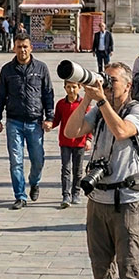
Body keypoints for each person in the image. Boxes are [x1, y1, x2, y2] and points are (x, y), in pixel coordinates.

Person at [62, 63, 139, 279]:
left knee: (129, 272)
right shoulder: (98, 110)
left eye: (113, 81)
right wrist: (88, 98)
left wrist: (101, 101)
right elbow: (71, 130)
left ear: (127, 85)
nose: (108, 85)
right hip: (97, 201)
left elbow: (122, 131)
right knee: (101, 272)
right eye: (106, 80)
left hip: (127, 202)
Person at [0, 33, 55, 209]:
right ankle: (20, 196)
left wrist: (50, 117)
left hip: (35, 122)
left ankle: (34, 181)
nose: (22, 50)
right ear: (14, 48)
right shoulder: (7, 70)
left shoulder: (41, 68)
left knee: (38, 159)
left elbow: (48, 94)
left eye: (25, 46)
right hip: (14, 122)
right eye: (19, 46)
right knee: (16, 161)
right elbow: (0, 96)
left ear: (31, 48)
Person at [55, 81, 91, 209]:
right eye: (68, 87)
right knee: (65, 168)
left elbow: (89, 123)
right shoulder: (60, 104)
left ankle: (76, 192)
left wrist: (89, 139)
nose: (71, 90)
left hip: (79, 141)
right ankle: (65, 194)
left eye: (74, 87)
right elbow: (56, 120)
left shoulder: (84, 104)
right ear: (64, 88)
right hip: (65, 141)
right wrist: (48, 124)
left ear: (79, 87)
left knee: (78, 169)